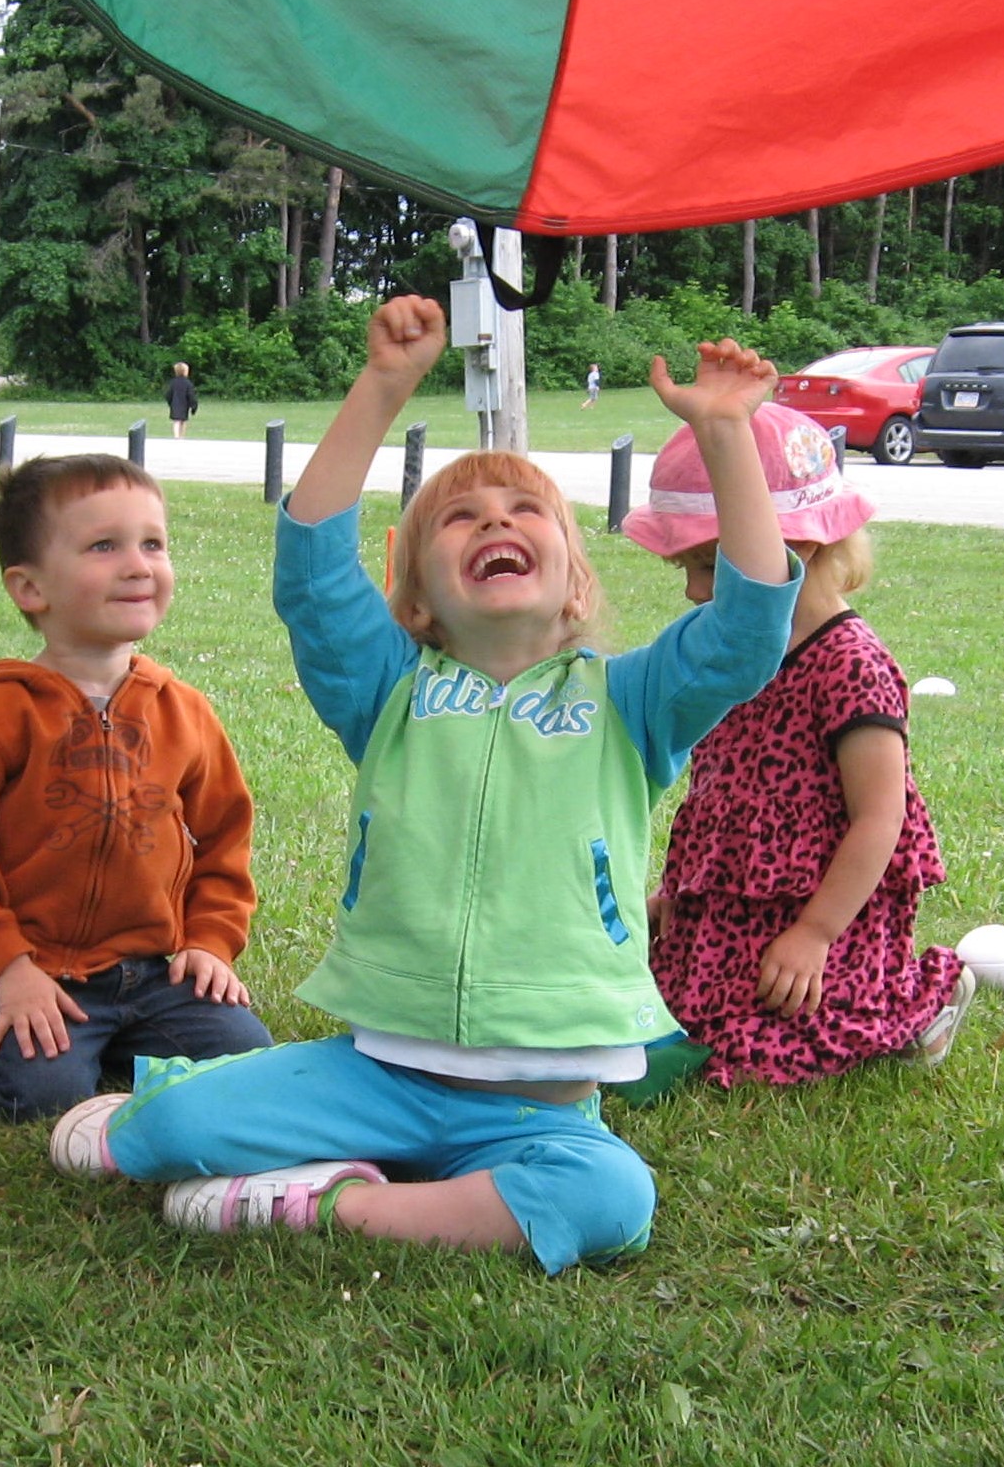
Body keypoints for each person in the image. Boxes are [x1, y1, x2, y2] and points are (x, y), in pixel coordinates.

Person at [42, 297, 800, 1274]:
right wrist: (384, 387)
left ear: (573, 583)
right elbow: (313, 571)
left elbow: (747, 630)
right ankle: (196, 1118)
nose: (496, 518)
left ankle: (333, 1203)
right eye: (461, 516)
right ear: (417, 601)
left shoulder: (631, 703)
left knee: (614, 1198)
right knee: (160, 1132)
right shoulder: (388, 691)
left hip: (540, 1115)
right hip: (377, 1076)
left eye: (527, 511)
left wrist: (727, 436)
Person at [0, 453, 272, 1120]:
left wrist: (210, 941)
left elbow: (225, 839)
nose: (137, 564)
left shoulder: (184, 712)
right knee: (36, 1095)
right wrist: (8, 969)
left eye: (153, 543)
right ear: (31, 588)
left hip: (157, 974)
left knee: (243, 1065)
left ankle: (114, 1047)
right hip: (33, 971)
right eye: (104, 546)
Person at [613, 412, 983, 1096]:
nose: (694, 591)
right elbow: (722, 796)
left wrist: (813, 934)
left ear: (794, 551)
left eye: (705, 565)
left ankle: (921, 996)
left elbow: (881, 818)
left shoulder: (851, 664)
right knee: (671, 1021)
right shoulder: (721, 656)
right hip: (732, 903)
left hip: (823, 910)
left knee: (760, 1054)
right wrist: (677, 893)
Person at [164, 362, 198, 438]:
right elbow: (191, 396)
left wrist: (170, 403)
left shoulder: (173, 382)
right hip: (184, 405)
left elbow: (168, 394)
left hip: (175, 404)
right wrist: (193, 406)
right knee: (183, 421)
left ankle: (176, 437)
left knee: (176, 421)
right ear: (186, 372)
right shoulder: (188, 383)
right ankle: (181, 437)